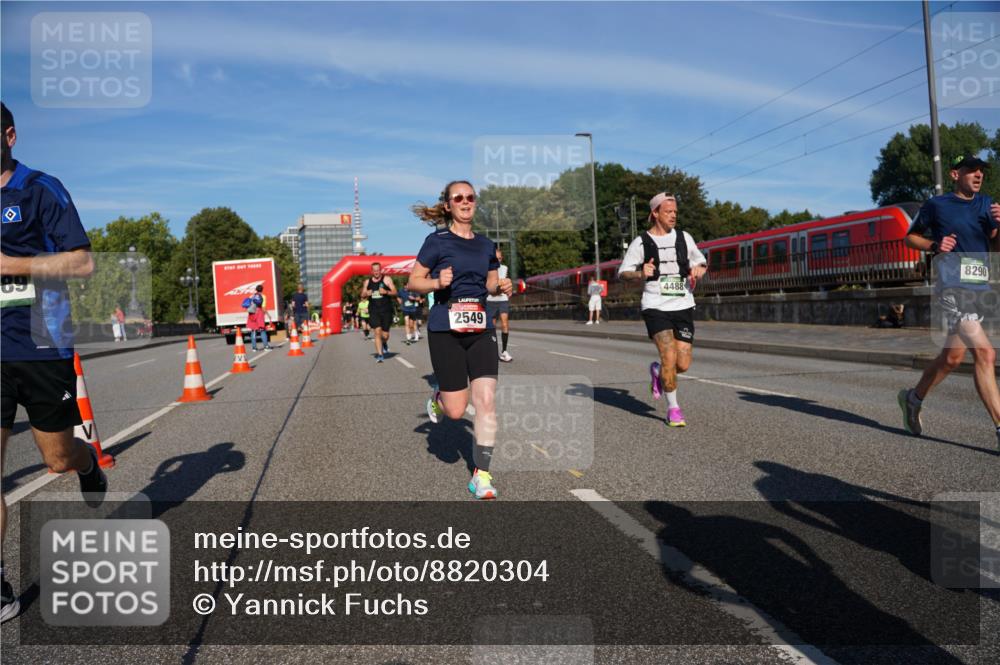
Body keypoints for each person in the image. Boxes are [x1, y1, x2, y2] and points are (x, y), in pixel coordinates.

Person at [0, 102, 108, 623]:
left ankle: (86, 461)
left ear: (10, 136)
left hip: (41, 343)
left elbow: (82, 262)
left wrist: (11, 265)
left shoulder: (41, 188)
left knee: (57, 459)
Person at [407, 180, 513, 500]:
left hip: (480, 327)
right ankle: (439, 397)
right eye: (459, 198)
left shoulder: (485, 245)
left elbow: (491, 284)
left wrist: (501, 287)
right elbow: (414, 281)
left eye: (470, 197)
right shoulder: (436, 241)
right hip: (446, 328)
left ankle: (481, 474)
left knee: (486, 401)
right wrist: (437, 281)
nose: (466, 202)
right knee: (456, 411)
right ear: (448, 205)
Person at [898, 155, 1000, 450]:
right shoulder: (937, 205)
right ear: (956, 174)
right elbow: (910, 238)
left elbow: (995, 247)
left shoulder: (986, 204)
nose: (978, 174)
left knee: (952, 358)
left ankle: (913, 399)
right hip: (953, 288)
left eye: (981, 171)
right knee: (985, 354)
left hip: (979, 288)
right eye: (972, 170)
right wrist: (934, 245)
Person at [618, 192, 708, 428]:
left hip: (683, 304)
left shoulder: (684, 238)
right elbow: (623, 272)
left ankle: (657, 372)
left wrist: (699, 269)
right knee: (669, 356)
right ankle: (673, 409)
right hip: (655, 306)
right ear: (655, 213)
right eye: (668, 212)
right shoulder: (641, 242)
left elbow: (700, 261)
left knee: (683, 364)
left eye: (675, 212)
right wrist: (640, 273)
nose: (673, 216)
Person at [361, 262, 397, 362]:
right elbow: (362, 295)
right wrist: (365, 294)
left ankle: (384, 342)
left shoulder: (387, 279)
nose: (376, 272)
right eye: (374, 270)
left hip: (386, 310)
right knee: (377, 332)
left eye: (378, 270)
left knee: (385, 335)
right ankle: (380, 355)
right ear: (371, 271)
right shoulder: (367, 282)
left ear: (381, 270)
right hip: (374, 311)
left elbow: (395, 291)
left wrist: (386, 292)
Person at [486, 243, 513, 361]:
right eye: (496, 258)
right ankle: (491, 350)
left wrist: (508, 287)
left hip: (502, 300)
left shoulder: (505, 268)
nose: (498, 260)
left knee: (505, 323)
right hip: (490, 300)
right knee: (491, 327)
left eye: (500, 258)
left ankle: (504, 351)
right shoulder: (487, 268)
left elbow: (507, 281)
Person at [246, 284, 271, 351]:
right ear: (262, 290)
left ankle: (254, 348)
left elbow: (248, 305)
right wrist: (268, 315)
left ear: (256, 289)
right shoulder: (263, 296)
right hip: (259, 313)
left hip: (252, 314)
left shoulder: (252, 296)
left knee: (253, 330)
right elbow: (263, 307)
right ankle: (266, 346)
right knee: (262, 330)